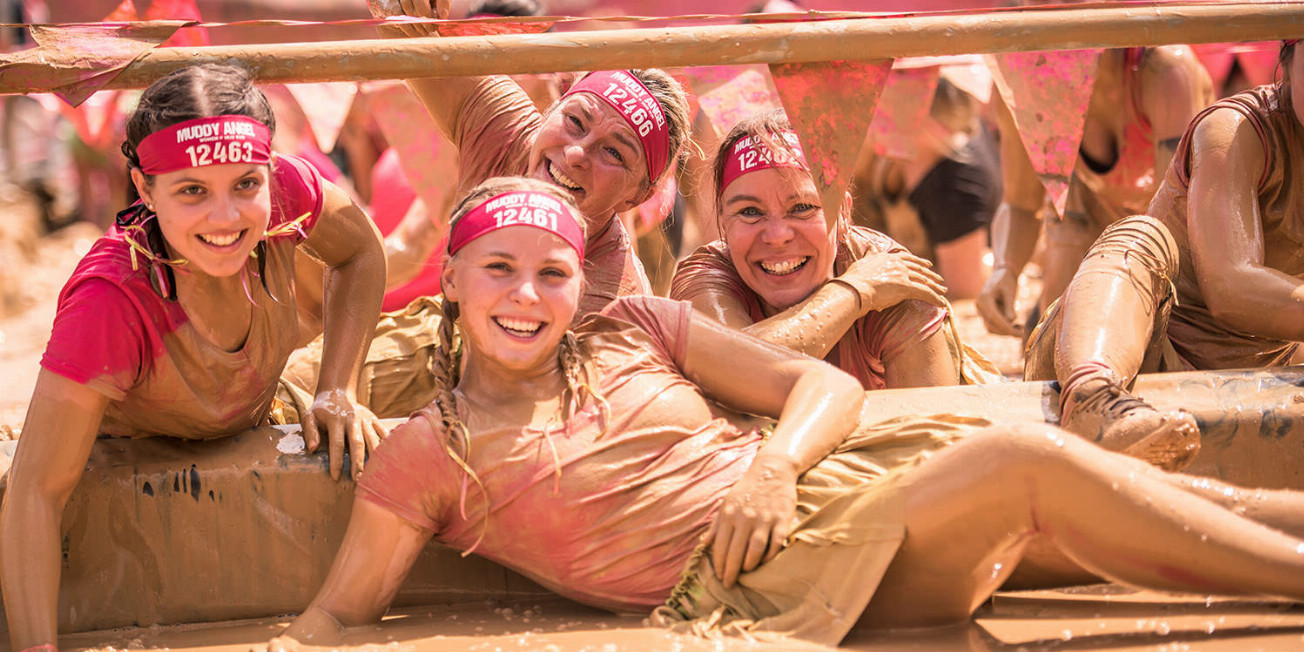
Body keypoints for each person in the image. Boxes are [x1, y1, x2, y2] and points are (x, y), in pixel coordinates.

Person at [269, 177, 1304, 649]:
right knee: (1022, 467)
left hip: (812, 487)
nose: (528, 296)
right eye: (499, 271)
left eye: (550, 272)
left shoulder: (632, 322)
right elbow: (336, 619)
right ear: (449, 280)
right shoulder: (425, 450)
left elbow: (826, 387)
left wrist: (772, 468)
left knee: (1144, 501)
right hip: (755, 588)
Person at [0, 63, 387, 652]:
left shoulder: (287, 191)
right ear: (144, 187)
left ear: (268, 171)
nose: (225, 217)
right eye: (191, 191)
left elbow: (361, 250)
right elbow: (36, 490)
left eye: (245, 185)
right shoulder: (112, 301)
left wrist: (339, 388)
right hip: (124, 445)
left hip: (261, 404)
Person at [286, 0, 693, 418]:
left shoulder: (612, 309)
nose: (576, 153)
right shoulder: (507, 132)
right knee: (286, 394)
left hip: (525, 406)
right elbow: (404, 29)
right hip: (442, 334)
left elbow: (539, 430)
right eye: (575, 121)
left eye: (612, 152)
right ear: (552, 108)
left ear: (636, 197)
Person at [1021, 40, 1304, 471]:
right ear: (1286, 57)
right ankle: (1092, 398)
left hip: (1255, 370)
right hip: (1139, 354)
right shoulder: (1235, 130)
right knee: (1140, 235)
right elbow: (1232, 287)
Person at [669, 111, 996, 390]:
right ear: (723, 224)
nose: (778, 235)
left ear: (843, 213)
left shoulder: (895, 279)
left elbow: (932, 430)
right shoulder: (706, 276)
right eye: (750, 212)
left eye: (802, 207)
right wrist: (856, 292)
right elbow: (734, 370)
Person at [977, 44, 1215, 338]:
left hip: (1178, 230)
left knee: (1160, 337)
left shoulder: (1165, 69)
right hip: (1087, 202)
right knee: (1051, 341)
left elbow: (1179, 220)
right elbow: (1020, 203)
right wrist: (1005, 270)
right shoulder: (1019, 75)